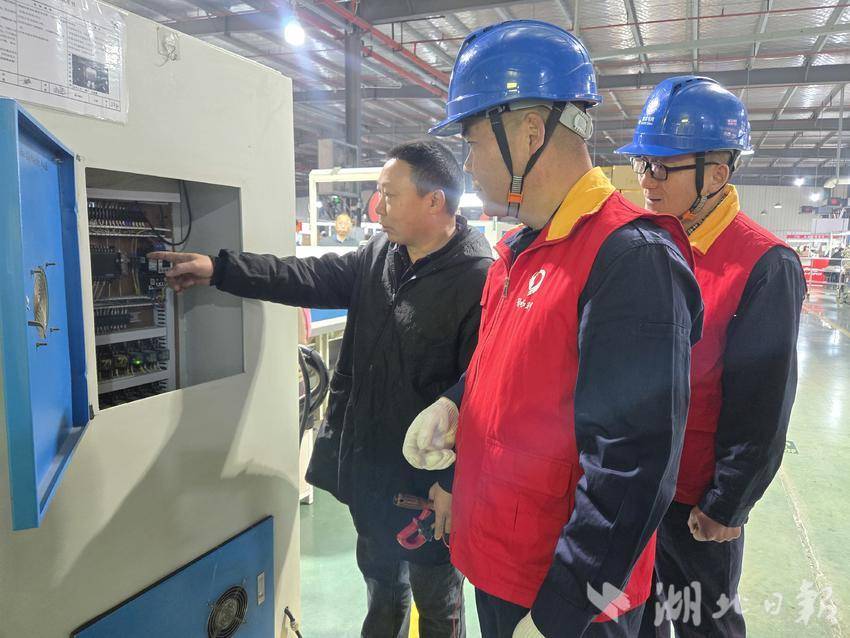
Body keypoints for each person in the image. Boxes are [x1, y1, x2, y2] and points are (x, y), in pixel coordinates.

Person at [403, 21, 703, 638]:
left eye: (472, 142)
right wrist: (455, 403)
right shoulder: (519, 252)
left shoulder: (629, 258)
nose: (467, 164)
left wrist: (564, 611)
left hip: (562, 599)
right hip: (502, 567)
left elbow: (634, 468)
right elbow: (507, 372)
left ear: (530, 134)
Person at [149, 140, 493, 638]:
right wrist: (219, 269)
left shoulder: (479, 280)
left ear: (434, 201)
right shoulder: (380, 256)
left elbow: (479, 393)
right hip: (372, 475)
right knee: (382, 598)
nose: (377, 208)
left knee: (438, 608)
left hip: (427, 489)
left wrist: (452, 484)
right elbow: (303, 276)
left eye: (389, 195)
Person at [614, 75, 806, 637]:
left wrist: (728, 503)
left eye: (662, 167)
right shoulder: (648, 243)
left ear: (716, 175)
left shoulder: (764, 263)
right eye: (642, 164)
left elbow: (763, 403)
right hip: (639, 487)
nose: (645, 180)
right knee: (639, 618)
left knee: (702, 623)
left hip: (696, 502)